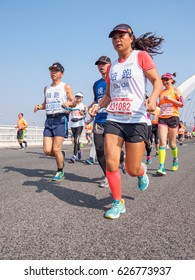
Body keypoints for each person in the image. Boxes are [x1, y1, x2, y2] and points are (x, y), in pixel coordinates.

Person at [89, 23, 163, 219]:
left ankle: (140, 171)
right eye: (114, 37)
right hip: (114, 118)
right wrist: (99, 105)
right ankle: (118, 202)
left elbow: (157, 81)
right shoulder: (113, 66)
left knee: (131, 168)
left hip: (137, 119)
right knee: (112, 164)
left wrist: (153, 97)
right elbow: (108, 94)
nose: (117, 40)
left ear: (131, 38)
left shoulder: (140, 57)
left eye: (121, 36)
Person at [88, 55, 126, 188]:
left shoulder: (117, 80)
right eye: (99, 64)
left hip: (113, 119)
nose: (101, 67)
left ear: (110, 65)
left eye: (103, 64)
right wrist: (90, 107)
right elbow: (97, 99)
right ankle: (107, 175)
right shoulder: (96, 84)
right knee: (99, 149)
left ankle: (122, 159)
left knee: (112, 149)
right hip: (99, 120)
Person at [34, 62, 75, 181]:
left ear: (62, 73)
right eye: (52, 70)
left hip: (60, 118)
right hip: (49, 120)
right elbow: (45, 104)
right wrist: (38, 106)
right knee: (47, 150)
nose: (53, 73)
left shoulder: (65, 86)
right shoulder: (47, 88)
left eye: (56, 71)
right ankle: (60, 156)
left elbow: (73, 102)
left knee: (56, 148)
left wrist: (68, 104)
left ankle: (60, 170)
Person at [156, 72, 184, 175]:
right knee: (162, 142)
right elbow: (160, 105)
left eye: (167, 79)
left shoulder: (175, 90)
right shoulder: (161, 92)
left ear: (172, 80)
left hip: (173, 118)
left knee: (172, 143)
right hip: (162, 118)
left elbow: (182, 104)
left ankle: (175, 159)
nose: (165, 81)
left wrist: (171, 99)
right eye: (163, 79)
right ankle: (161, 167)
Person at [68, 92, 87, 163]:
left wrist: (82, 113)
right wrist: (68, 108)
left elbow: (85, 114)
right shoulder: (72, 105)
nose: (78, 98)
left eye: (79, 97)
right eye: (77, 96)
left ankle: (74, 157)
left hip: (80, 124)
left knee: (76, 140)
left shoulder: (83, 106)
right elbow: (68, 112)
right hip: (73, 124)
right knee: (76, 141)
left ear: (82, 98)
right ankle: (79, 150)